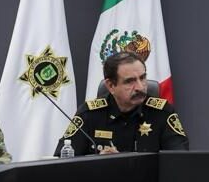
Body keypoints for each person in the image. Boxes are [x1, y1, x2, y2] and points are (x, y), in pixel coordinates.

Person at [55, 51, 187, 155]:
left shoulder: (162, 113)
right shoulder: (89, 114)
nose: (140, 87)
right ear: (111, 85)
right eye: (130, 81)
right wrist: (97, 163)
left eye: (142, 78)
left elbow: (179, 162)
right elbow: (63, 159)